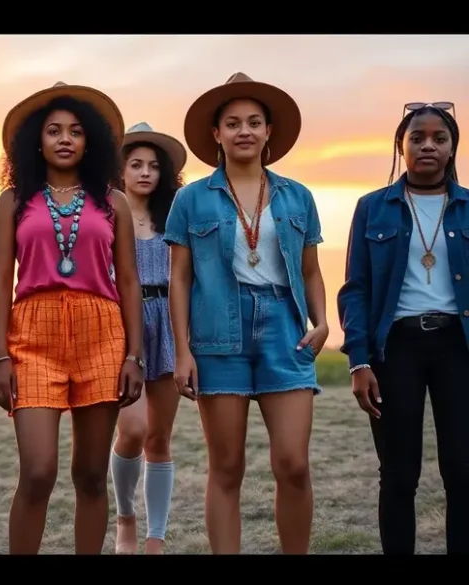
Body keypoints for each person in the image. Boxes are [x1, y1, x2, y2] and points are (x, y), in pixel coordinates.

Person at [166, 72, 327, 554]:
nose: (244, 131)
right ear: (215, 134)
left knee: (293, 464)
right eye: (232, 123)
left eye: (254, 122)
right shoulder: (191, 197)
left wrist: (321, 323)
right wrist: (182, 350)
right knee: (227, 466)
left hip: (284, 327)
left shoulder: (297, 196)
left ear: (269, 131)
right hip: (218, 333)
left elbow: (312, 271)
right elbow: (180, 278)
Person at [0, 82, 146, 555]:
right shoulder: (13, 201)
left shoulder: (112, 201)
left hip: (102, 333)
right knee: (38, 473)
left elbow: (130, 282)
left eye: (75, 131)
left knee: (92, 475)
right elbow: (0, 280)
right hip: (32, 334)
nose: (64, 139)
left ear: (89, 141)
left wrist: (134, 354)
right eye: (53, 130)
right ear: (35, 140)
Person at [337, 102, 468, 554]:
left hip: (459, 348)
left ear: (452, 149)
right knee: (397, 474)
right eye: (417, 137)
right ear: (401, 145)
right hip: (396, 348)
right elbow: (355, 288)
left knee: (462, 469)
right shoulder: (373, 208)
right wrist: (358, 360)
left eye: (439, 138)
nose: (428, 145)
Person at [109, 121, 186, 554]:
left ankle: (156, 535)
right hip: (125, 326)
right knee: (133, 429)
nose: (144, 173)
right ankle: (125, 516)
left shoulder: (175, 217)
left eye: (153, 166)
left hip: (169, 323)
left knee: (159, 437)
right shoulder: (107, 216)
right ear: (119, 170)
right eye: (135, 164)